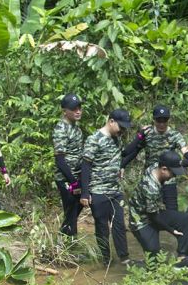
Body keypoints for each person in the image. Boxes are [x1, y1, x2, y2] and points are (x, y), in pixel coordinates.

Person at [80, 108, 134, 265]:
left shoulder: (117, 138)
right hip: (98, 191)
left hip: (115, 190)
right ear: (111, 121)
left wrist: (121, 167)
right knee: (102, 226)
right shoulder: (94, 139)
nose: (122, 130)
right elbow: (86, 166)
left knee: (119, 224)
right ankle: (106, 259)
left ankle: (124, 258)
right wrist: (85, 193)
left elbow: (119, 157)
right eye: (121, 127)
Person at [121, 105, 188, 211]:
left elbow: (185, 151)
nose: (162, 124)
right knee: (148, 210)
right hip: (151, 178)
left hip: (169, 178)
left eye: (164, 120)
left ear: (168, 120)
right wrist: (122, 165)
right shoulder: (147, 133)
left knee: (172, 209)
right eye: (159, 121)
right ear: (154, 120)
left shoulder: (174, 135)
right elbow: (135, 151)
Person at [129, 150, 188, 268]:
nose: (174, 176)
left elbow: (176, 163)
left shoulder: (156, 165)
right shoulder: (150, 187)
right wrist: (172, 230)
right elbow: (153, 216)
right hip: (141, 220)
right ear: (164, 169)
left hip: (154, 211)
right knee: (154, 263)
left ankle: (182, 257)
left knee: (185, 219)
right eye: (173, 173)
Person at [52, 93, 85, 236]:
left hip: (77, 176)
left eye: (79, 108)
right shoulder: (61, 129)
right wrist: (73, 182)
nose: (78, 111)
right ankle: (69, 243)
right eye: (74, 109)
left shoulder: (76, 128)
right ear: (65, 111)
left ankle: (64, 238)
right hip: (66, 178)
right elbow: (60, 160)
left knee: (74, 212)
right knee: (71, 211)